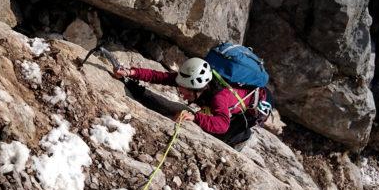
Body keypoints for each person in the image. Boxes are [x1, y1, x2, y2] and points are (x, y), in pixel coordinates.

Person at [113, 57, 272, 146]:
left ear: (196, 89)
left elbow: (222, 125)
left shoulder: (219, 97)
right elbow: (159, 77)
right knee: (184, 113)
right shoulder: (192, 82)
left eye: (184, 91)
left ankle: (242, 137)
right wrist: (130, 72)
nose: (181, 94)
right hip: (222, 108)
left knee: (219, 135)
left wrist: (196, 118)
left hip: (238, 119)